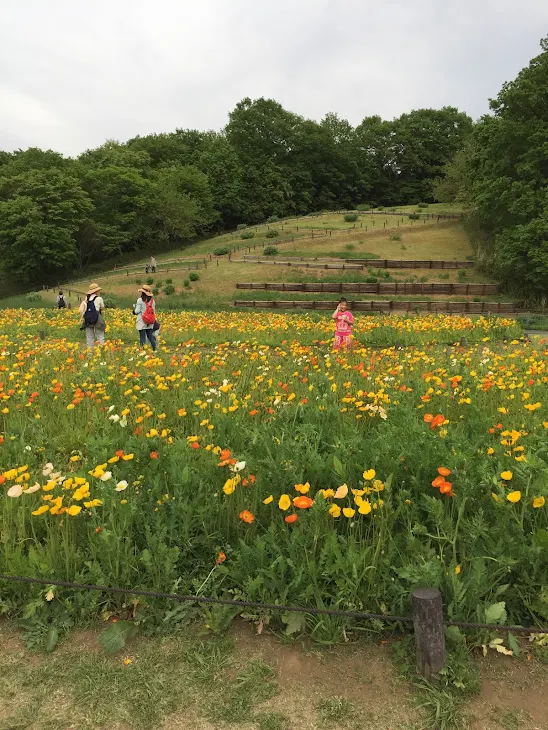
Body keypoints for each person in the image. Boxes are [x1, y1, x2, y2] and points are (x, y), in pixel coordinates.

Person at [79, 283, 106, 349]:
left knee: (89, 337)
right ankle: (101, 351)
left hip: (88, 318)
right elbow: (102, 307)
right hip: (97, 318)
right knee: (100, 335)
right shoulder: (99, 298)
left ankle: (90, 353)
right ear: (96, 291)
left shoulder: (86, 299)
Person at [134, 285, 157, 351]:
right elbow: (153, 311)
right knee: (150, 336)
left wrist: (133, 311)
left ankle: (143, 350)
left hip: (142, 321)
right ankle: (154, 349)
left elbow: (137, 311)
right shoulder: (153, 301)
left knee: (142, 337)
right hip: (150, 321)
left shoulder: (140, 300)